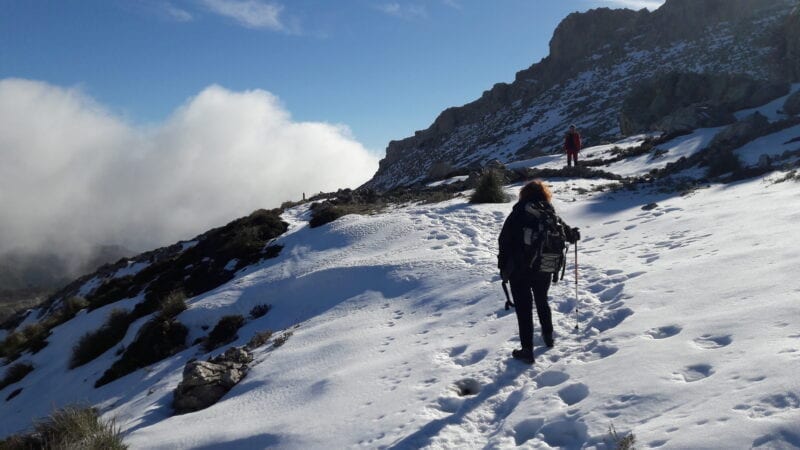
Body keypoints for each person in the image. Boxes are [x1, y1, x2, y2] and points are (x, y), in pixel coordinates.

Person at [497, 180, 579, 364]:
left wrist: (503, 268)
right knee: (542, 300)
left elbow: (504, 241)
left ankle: (527, 350)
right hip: (544, 266)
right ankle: (548, 337)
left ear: (523, 194)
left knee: (524, 308)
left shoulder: (518, 212)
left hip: (520, 269)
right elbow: (568, 234)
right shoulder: (549, 212)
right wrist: (574, 233)